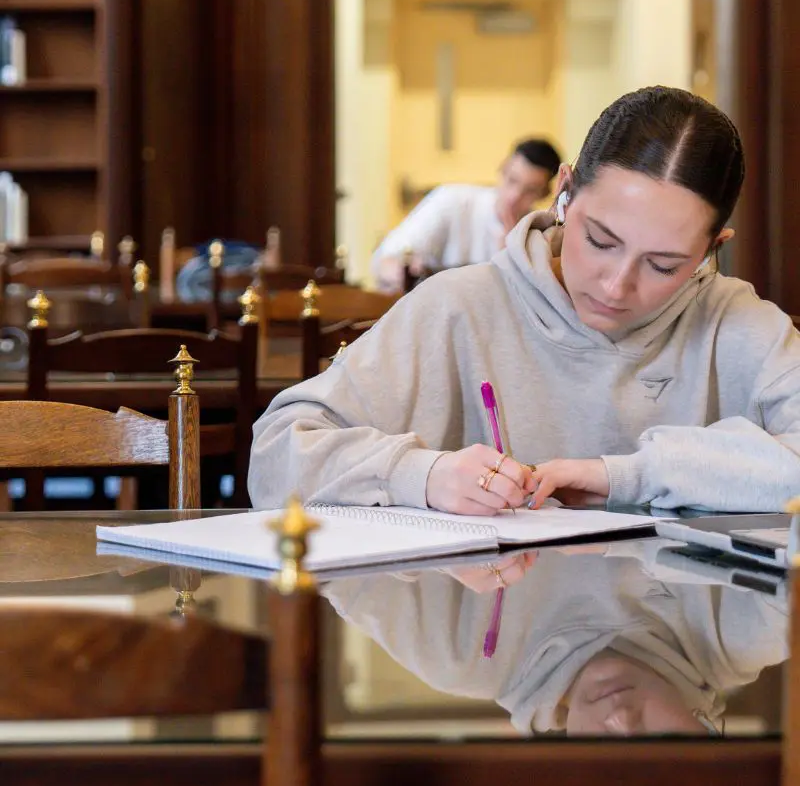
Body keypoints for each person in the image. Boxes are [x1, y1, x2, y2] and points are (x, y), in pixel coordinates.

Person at [249, 86, 800, 514]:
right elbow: (275, 457)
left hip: (686, 645)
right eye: (600, 241)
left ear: (713, 247)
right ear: (564, 191)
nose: (615, 285)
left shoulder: (738, 324)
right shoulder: (460, 307)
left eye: (664, 265)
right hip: (495, 637)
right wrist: (421, 475)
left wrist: (627, 476)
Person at [321, 539, 788, 736]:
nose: (622, 720)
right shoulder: (751, 632)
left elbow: (320, 550)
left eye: (601, 766)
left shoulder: (458, 656)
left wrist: (422, 490)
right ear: (708, 733)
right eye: (660, 743)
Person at [370, 137, 560, 291]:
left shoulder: (538, 233)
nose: (514, 196)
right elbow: (384, 260)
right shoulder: (452, 200)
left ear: (543, 193)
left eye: (530, 190)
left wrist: (511, 256)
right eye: (512, 180)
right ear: (502, 169)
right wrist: (407, 271)